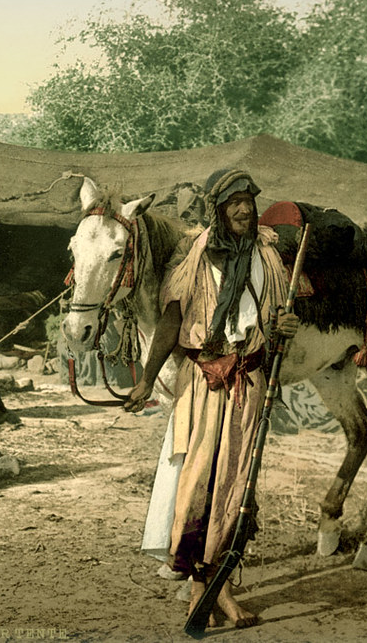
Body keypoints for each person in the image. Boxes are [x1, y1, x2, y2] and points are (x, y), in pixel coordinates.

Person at [124, 168, 300, 629]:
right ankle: (202, 587)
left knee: (236, 484)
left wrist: (284, 328)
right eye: (234, 202)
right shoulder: (197, 256)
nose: (244, 208)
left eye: (249, 200)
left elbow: (278, 318)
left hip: (250, 379)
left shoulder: (267, 256)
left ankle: (213, 587)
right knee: (198, 479)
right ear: (218, 208)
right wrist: (146, 378)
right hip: (204, 379)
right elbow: (172, 319)